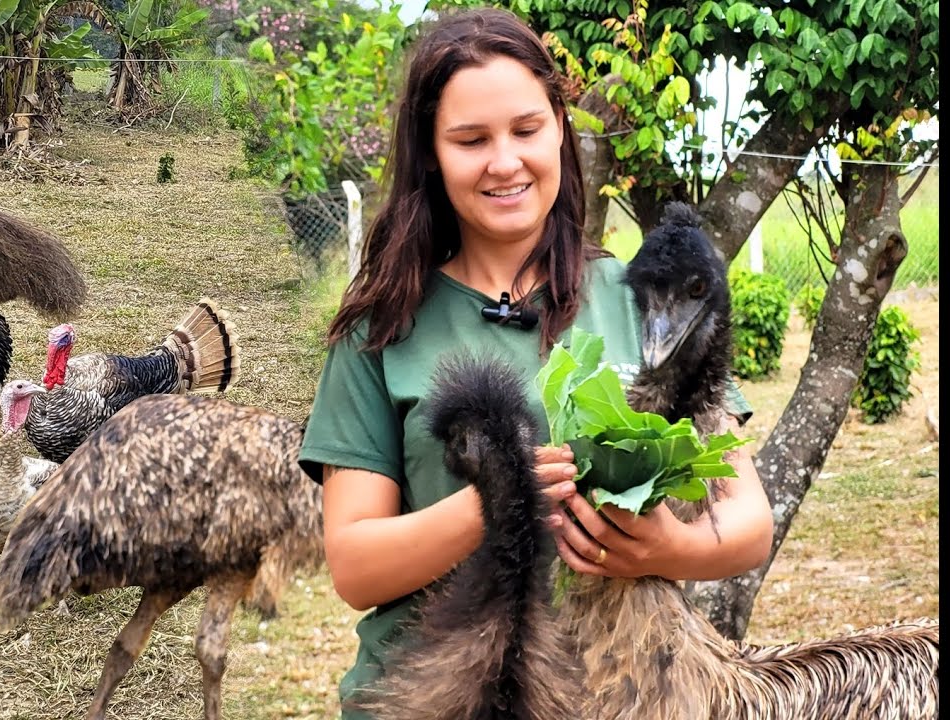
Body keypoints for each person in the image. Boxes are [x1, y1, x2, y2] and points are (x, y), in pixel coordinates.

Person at [296, 7, 775, 717]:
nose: (505, 161)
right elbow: (356, 567)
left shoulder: (646, 302)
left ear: (559, 130)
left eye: (526, 130)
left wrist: (665, 547)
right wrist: (500, 497)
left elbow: (748, 524)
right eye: (470, 139)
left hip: (617, 700)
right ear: (431, 152)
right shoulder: (382, 328)